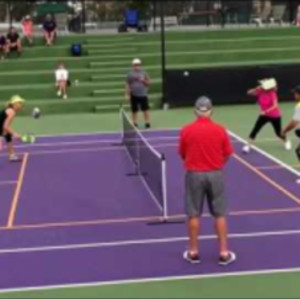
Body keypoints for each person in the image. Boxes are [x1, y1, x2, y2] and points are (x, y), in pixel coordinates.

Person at [179, 96, 236, 266]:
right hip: (216, 174)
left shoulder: (186, 130)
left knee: (194, 213)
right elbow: (227, 153)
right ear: (211, 111)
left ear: (195, 111)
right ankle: (224, 253)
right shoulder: (220, 130)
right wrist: (216, 165)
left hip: (194, 175)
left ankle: (194, 252)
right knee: (220, 214)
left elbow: (183, 154)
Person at [243, 78, 291, 153]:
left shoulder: (272, 94)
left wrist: (265, 111)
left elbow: (275, 105)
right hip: (264, 115)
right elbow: (248, 93)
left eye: (262, 85)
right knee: (256, 129)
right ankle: (248, 146)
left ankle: (286, 141)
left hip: (274, 116)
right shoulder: (259, 91)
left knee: (278, 133)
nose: (260, 85)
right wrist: (255, 89)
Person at [125, 58, 151, 128]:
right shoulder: (129, 74)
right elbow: (127, 84)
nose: (137, 66)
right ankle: (134, 123)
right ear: (133, 65)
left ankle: (147, 122)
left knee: (145, 109)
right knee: (134, 110)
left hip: (143, 94)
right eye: (135, 65)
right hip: (133, 94)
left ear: (140, 65)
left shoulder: (144, 73)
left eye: (138, 64)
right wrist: (127, 94)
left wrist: (143, 81)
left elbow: (148, 83)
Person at [282, 86, 300, 184]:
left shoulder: (299, 106)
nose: (294, 95)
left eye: (296, 93)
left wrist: (284, 130)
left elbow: (294, 123)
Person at [0, 95, 25, 161]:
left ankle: (12, 155)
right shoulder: (12, 112)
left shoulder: (10, 110)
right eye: (20, 103)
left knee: (8, 136)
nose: (21, 105)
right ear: (15, 104)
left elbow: (4, 125)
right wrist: (15, 134)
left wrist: (8, 133)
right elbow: (5, 126)